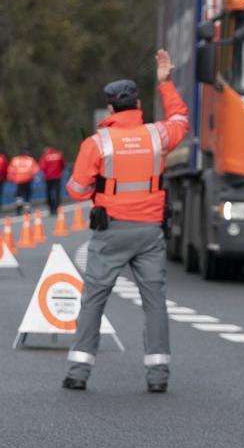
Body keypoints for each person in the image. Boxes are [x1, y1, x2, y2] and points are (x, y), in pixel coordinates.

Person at [61, 50, 190, 393]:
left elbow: (75, 190)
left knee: (94, 299)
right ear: (137, 105)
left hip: (111, 232)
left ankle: (78, 371)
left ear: (110, 108)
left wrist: (96, 188)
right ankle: (158, 375)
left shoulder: (97, 142)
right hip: (150, 233)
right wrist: (165, 82)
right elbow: (181, 118)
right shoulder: (157, 136)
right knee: (155, 302)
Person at [39, 145, 65, 212]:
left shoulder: (45, 156)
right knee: (57, 192)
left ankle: (51, 207)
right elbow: (62, 165)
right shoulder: (58, 154)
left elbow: (42, 167)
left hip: (48, 177)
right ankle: (57, 205)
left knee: (49, 192)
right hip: (57, 176)